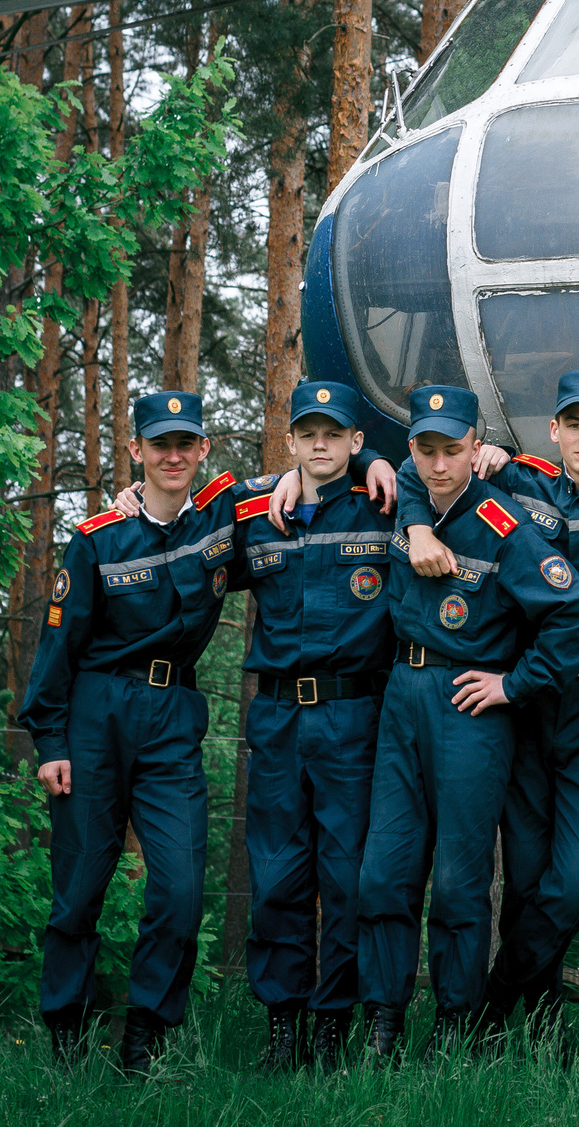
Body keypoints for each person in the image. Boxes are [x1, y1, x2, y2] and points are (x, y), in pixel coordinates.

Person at [390, 370, 579, 1029]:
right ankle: (544, 1026)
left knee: (576, 879)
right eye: (572, 424)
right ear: (552, 431)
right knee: (523, 878)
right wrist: (416, 527)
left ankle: (492, 1003)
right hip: (523, 707)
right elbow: (422, 474)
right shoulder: (518, 484)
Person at [355, 385, 579, 1060]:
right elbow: (394, 475)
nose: (438, 464)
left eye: (452, 449)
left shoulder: (503, 524)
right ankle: (383, 1016)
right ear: (412, 449)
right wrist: (416, 524)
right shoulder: (411, 496)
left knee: (461, 880)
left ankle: (455, 1020)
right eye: (426, 449)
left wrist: (514, 684)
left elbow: (576, 612)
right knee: (385, 870)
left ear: (475, 445)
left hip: (470, 704)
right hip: (404, 695)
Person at [21, 390, 244, 1073]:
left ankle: (144, 1036)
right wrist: (51, 742)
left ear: (203, 449)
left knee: (178, 888)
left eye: (186, 443)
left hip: (173, 716)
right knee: (79, 888)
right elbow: (57, 646)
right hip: (95, 715)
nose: (173, 454)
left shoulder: (220, 522)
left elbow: (292, 484)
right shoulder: (96, 539)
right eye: (160, 443)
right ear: (137, 451)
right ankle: (65, 1036)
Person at [227, 382, 401, 1069]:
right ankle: (283, 1026)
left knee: (348, 876)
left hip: (353, 715)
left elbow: (454, 472)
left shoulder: (383, 503)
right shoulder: (257, 514)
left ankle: (332, 1024)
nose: (321, 443)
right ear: (292, 440)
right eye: (309, 432)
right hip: (274, 718)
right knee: (276, 877)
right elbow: (182, 510)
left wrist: (383, 462)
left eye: (337, 432)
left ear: (356, 440)